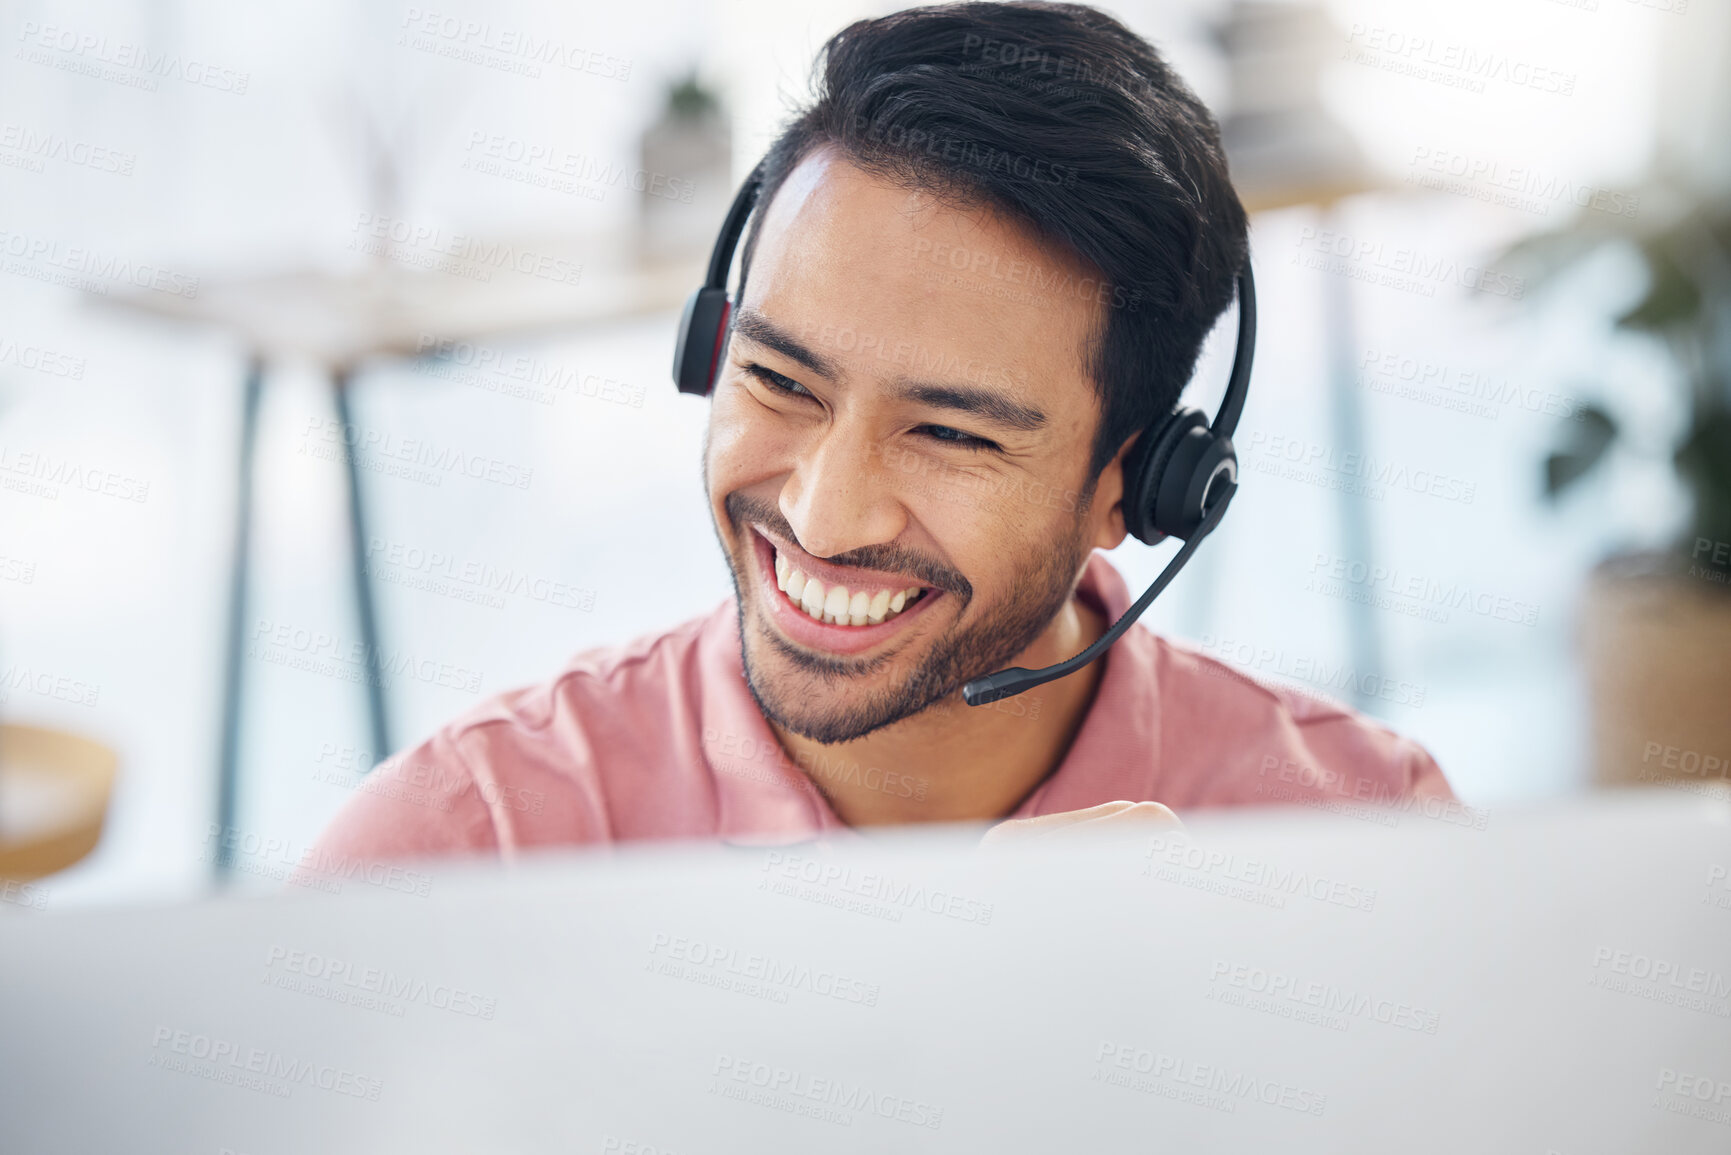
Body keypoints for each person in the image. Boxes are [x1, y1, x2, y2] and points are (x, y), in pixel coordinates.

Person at [309, 1, 1452, 868]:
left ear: (1139, 483)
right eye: (778, 379)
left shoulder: (1358, 839)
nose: (822, 513)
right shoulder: (464, 850)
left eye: (951, 435)